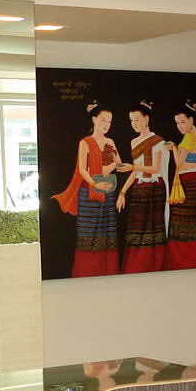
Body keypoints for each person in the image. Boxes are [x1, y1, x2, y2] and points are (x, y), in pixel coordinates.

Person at [52, 100, 129, 277]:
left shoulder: (110, 141)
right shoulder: (85, 142)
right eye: (103, 120)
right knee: (89, 234)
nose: (106, 125)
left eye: (109, 121)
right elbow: (82, 169)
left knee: (107, 233)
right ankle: (87, 273)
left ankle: (108, 272)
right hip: (88, 193)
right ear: (94, 119)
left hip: (108, 191)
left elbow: (119, 163)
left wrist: (111, 166)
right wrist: (95, 184)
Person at [117, 101, 169, 274]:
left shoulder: (158, 141)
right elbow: (135, 171)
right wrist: (123, 192)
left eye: (137, 119)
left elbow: (155, 168)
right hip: (140, 188)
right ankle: (137, 267)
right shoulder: (134, 142)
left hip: (155, 187)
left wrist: (133, 167)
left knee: (154, 229)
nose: (134, 124)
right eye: (131, 120)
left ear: (146, 119)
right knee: (137, 229)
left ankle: (155, 267)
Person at [165, 100, 196, 271]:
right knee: (194, 222)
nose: (180, 126)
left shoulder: (188, 138)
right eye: (177, 123)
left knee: (180, 221)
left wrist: (173, 148)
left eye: (183, 122)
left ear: (191, 120)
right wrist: (192, 168)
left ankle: (180, 262)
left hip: (185, 183)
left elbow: (179, 164)